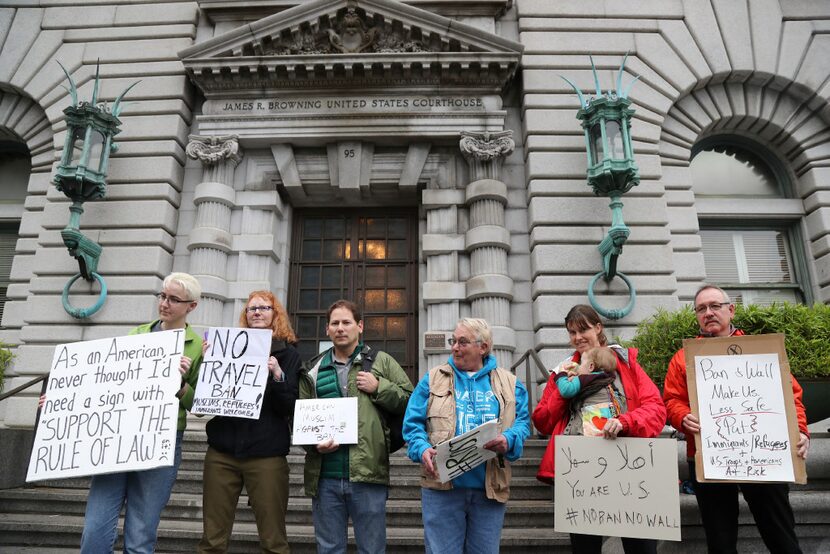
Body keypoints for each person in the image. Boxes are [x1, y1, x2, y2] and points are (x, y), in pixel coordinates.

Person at [663, 284, 810, 554]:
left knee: (780, 534)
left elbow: (790, 396)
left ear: (731, 310)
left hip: (764, 454)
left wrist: (800, 431)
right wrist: (682, 416)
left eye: (715, 306)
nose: (708, 313)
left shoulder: (761, 350)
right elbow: (671, 400)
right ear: (696, 315)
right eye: (701, 308)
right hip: (709, 457)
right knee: (720, 541)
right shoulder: (682, 358)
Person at [80, 272, 204, 553]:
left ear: (191, 306)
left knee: (141, 531)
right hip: (118, 435)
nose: (165, 304)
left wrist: (181, 384)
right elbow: (105, 383)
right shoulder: (137, 334)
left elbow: (197, 406)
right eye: (162, 296)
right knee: (95, 528)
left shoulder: (198, 346)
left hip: (163, 439)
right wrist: (61, 403)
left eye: (174, 299)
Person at [533, 304, 666, 554]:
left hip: (630, 465)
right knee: (586, 548)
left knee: (642, 547)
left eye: (583, 329)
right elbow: (542, 421)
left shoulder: (626, 363)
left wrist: (626, 421)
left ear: (598, 328)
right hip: (582, 470)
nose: (577, 337)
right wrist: (567, 387)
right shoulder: (562, 373)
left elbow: (656, 410)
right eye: (572, 332)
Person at [402, 317, 531, 554]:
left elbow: (523, 423)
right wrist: (421, 449)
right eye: (453, 341)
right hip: (442, 489)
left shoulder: (510, 383)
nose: (454, 347)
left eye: (462, 342)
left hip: (489, 489)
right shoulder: (432, 379)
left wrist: (509, 439)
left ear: (483, 347)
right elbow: (412, 425)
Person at [298, 299, 413, 554]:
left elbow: (411, 401)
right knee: (329, 549)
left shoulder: (381, 362)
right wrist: (313, 445)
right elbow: (301, 420)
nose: (341, 328)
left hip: (368, 474)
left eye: (346, 322)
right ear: (327, 329)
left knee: (372, 549)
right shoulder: (311, 370)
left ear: (359, 326)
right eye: (335, 323)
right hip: (325, 476)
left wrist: (379, 387)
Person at [198, 291, 301, 553]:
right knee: (212, 538)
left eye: (264, 308)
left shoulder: (288, 355)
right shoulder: (225, 348)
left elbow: (290, 406)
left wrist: (277, 375)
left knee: (273, 538)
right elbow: (203, 403)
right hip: (222, 451)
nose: (256, 312)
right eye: (251, 309)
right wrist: (207, 362)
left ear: (275, 314)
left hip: (266, 454)